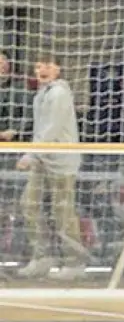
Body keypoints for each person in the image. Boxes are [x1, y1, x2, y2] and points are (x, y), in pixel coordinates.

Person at [18, 53, 88, 281]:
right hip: (42, 158)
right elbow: (40, 129)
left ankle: (75, 262)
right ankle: (42, 257)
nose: (42, 70)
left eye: (47, 65)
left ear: (58, 69)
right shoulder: (40, 95)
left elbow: (52, 128)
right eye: (38, 66)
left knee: (63, 211)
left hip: (61, 159)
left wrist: (31, 154)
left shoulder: (59, 93)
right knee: (29, 204)